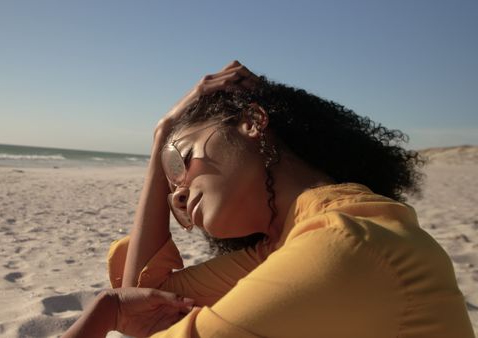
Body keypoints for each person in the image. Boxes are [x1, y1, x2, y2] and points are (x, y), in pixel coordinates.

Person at [63, 61, 475, 337]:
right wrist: (163, 136)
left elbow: (134, 315)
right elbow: (148, 301)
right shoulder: (287, 243)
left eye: (181, 159)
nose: (180, 191)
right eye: (170, 188)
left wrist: (105, 312)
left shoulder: (340, 245)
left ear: (252, 122)